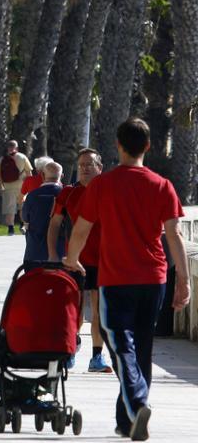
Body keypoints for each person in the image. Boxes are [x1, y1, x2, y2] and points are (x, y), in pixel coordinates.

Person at [64, 118, 191, 441]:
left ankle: (136, 403)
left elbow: (81, 228)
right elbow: (174, 235)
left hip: (116, 279)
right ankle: (127, 421)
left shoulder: (102, 185)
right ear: (148, 146)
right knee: (142, 348)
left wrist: (71, 259)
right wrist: (184, 281)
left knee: (120, 344)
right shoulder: (162, 185)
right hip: (154, 279)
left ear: (118, 146)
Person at [47, 148, 112, 373]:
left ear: (100, 168)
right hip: (73, 260)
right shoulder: (68, 193)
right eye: (81, 164)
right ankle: (71, 349)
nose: (84, 168)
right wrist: (53, 254)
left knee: (98, 310)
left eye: (89, 164)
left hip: (103, 261)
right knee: (73, 309)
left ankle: (97, 357)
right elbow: (54, 224)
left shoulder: (109, 192)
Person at [20, 162, 64, 262]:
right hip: (60, 250)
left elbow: (25, 217)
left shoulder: (32, 195)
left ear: (43, 176)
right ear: (61, 176)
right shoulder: (66, 194)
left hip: (35, 250)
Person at [0, 140, 33, 236]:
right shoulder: (22, 157)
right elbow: (29, 173)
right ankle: (22, 225)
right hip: (22, 187)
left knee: (9, 209)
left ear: (8, 148)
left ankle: (11, 230)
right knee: (22, 207)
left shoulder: (2, 159)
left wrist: (1, 186)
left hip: (8, 187)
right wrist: (30, 186)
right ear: (17, 148)